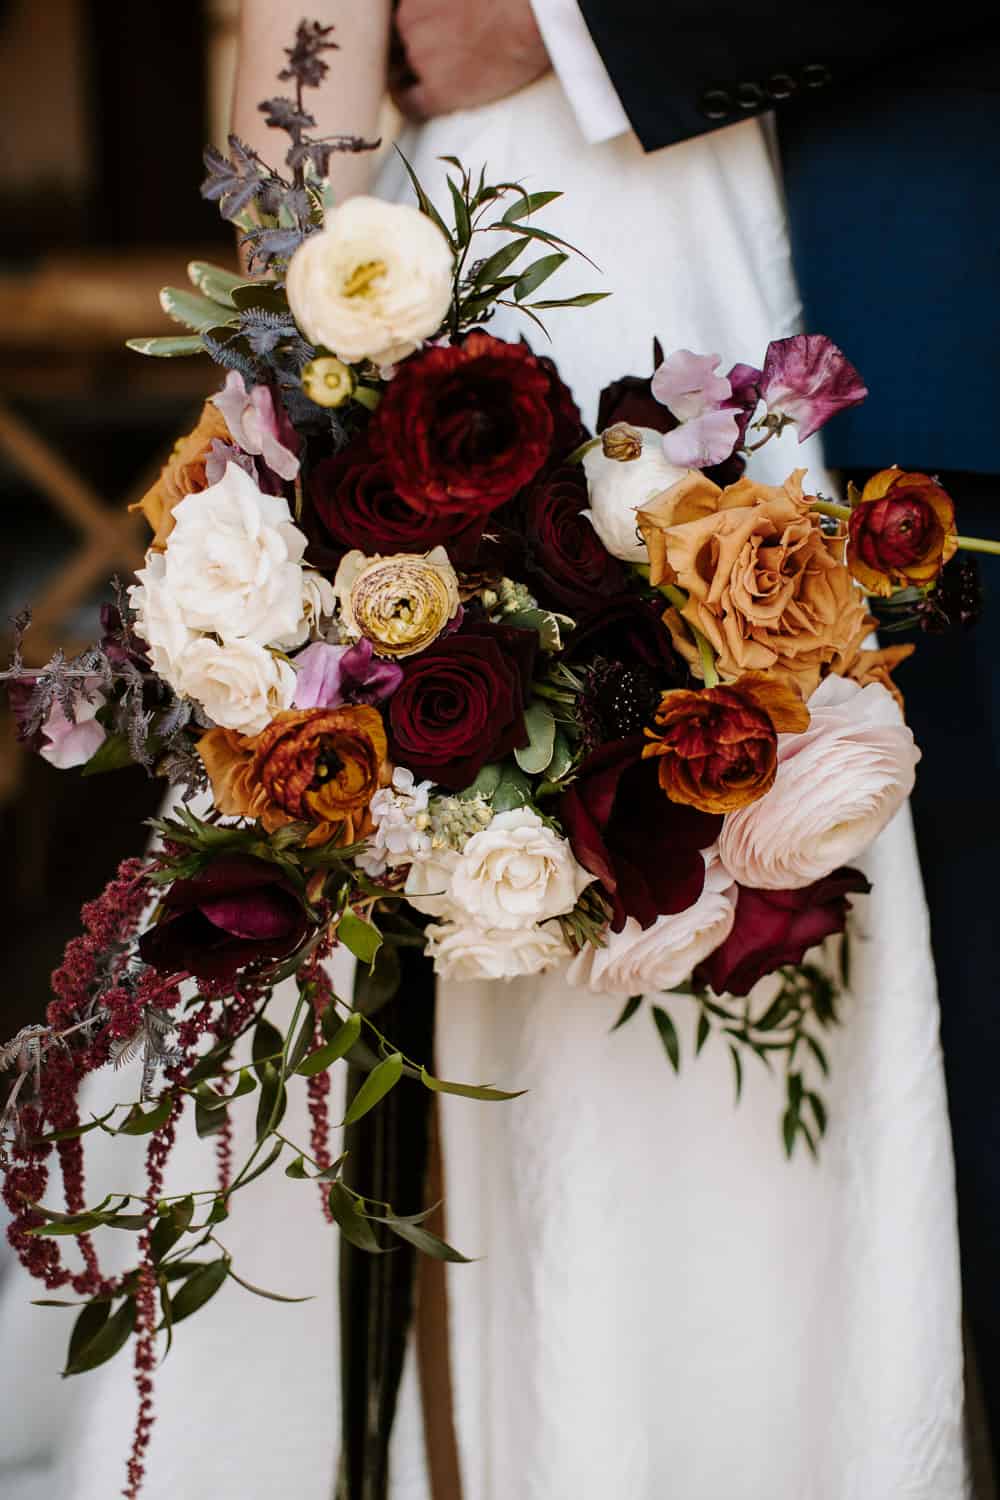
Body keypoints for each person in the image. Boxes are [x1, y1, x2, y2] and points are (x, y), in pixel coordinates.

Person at [0, 4, 969, 1496]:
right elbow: (299, 40)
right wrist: (271, 386)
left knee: (730, 866)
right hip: (463, 252)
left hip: (702, 247)